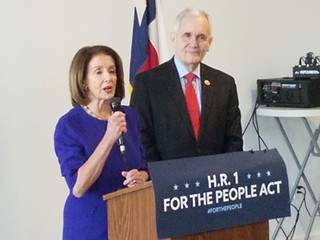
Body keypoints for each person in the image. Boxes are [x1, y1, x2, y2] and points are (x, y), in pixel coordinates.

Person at [54, 45, 149, 240]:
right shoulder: (69, 125)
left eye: (112, 71)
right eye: (99, 72)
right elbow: (78, 187)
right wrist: (109, 137)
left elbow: (144, 165)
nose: (109, 77)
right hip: (90, 225)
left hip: (131, 221)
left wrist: (140, 176)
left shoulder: (128, 115)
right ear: (84, 81)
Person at [130, 8, 243, 162]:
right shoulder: (147, 83)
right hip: (167, 180)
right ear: (173, 39)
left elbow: (234, 140)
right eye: (187, 35)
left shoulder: (224, 84)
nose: (194, 43)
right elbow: (142, 139)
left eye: (201, 37)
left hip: (215, 180)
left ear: (209, 43)